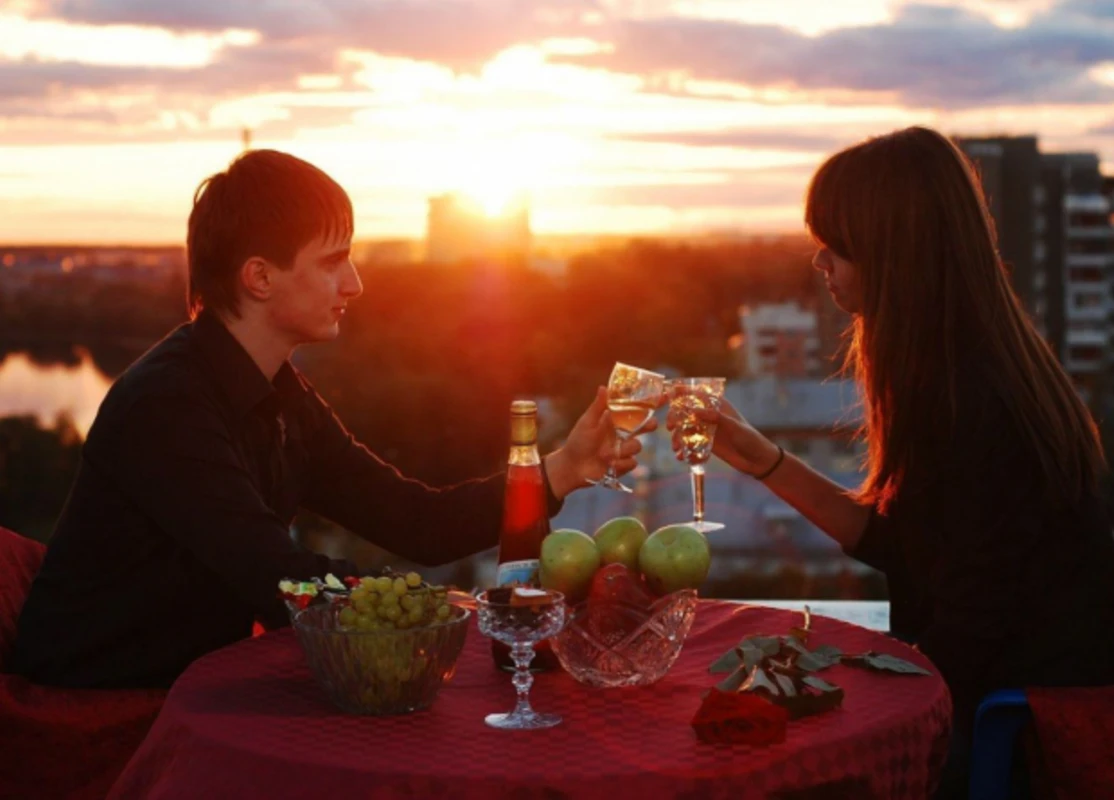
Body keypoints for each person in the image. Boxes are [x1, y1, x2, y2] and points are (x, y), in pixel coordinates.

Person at [11, 149, 645, 690]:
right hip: (98, 698)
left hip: (192, 680)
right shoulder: (166, 405)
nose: (356, 283)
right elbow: (278, 577)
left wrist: (561, 468)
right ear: (259, 277)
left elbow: (416, 521)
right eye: (332, 261)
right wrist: (444, 609)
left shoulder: (279, 393)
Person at [669, 127, 1114, 795]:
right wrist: (763, 459)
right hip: (1009, 708)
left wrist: (831, 689)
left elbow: (965, 632)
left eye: (834, 244)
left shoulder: (974, 401)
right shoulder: (955, 369)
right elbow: (903, 547)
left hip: (1033, 740)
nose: (820, 263)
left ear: (894, 253)